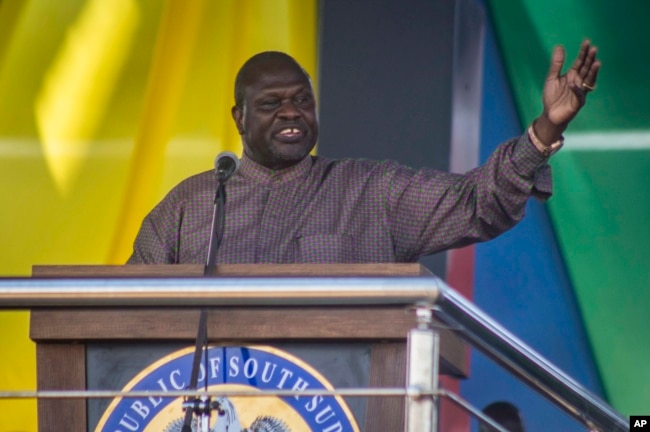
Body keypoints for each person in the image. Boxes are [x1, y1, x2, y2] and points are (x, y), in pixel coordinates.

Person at [127, 41, 600, 265]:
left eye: (302, 100)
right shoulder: (189, 206)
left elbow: (475, 204)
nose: (292, 112)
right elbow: (119, 311)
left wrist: (543, 130)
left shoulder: (370, 190)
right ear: (239, 119)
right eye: (272, 104)